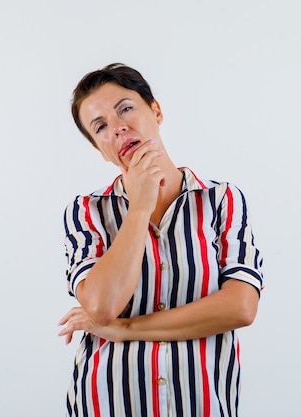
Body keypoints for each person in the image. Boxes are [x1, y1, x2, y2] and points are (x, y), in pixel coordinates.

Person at [58, 63, 264, 417]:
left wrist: (123, 329)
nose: (118, 127)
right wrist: (139, 207)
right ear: (99, 149)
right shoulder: (86, 211)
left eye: (126, 108)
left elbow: (240, 308)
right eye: (101, 127)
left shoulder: (222, 200)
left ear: (156, 110)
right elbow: (102, 305)